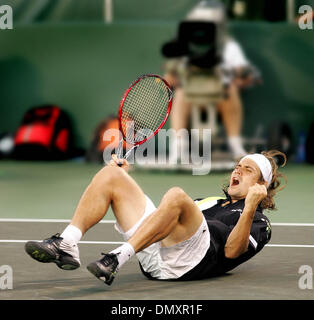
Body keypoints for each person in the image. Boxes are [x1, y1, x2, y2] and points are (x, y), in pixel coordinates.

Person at [25, 150, 286, 285]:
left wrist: (251, 205)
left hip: (192, 262)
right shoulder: (209, 202)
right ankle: (67, 243)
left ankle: (117, 257)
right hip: (157, 257)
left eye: (247, 169)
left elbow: (231, 252)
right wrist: (124, 179)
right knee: (111, 175)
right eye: (237, 166)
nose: (237, 170)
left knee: (176, 195)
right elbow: (164, 221)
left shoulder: (260, 223)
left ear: (261, 183)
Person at [163, 0, 261, 161]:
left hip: (219, 98)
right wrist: (171, 77)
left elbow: (243, 73)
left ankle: (235, 144)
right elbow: (170, 77)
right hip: (192, 97)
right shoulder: (182, 47)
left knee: (230, 89)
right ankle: (177, 146)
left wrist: (242, 76)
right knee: (180, 91)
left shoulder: (229, 47)